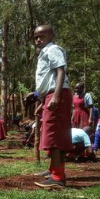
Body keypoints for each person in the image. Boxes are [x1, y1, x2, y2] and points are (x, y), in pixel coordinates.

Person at [33, 24, 73, 189]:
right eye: (36, 37)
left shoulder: (53, 49)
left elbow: (60, 72)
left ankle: (57, 177)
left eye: (42, 36)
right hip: (52, 95)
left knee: (54, 136)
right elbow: (48, 79)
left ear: (51, 36)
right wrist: (43, 102)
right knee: (55, 134)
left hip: (57, 94)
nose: (38, 39)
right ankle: (54, 170)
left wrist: (56, 96)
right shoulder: (44, 53)